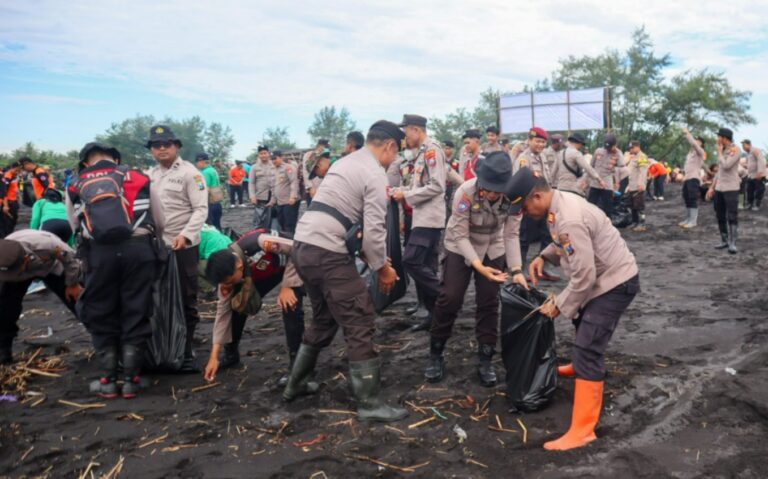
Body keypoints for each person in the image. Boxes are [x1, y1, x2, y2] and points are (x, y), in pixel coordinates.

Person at [507, 167, 639, 451]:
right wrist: (544, 255)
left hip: (615, 282)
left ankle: (582, 430)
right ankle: (579, 367)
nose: (524, 212)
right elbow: (564, 245)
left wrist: (558, 305)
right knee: (582, 319)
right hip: (602, 277)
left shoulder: (568, 218)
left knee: (588, 346)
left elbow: (584, 278)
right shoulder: (558, 204)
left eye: (524, 206)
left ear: (538, 196)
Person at [283, 120, 407, 422]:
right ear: (389, 146)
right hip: (327, 252)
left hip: (304, 247)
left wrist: (374, 258)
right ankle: (369, 403)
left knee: (325, 316)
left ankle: (296, 384)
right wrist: (382, 269)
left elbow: (350, 225)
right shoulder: (374, 173)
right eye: (396, 154)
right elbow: (375, 230)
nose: (394, 161)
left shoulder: (346, 162)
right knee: (360, 317)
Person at [66, 142, 163, 398]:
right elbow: (159, 218)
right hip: (138, 250)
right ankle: (132, 379)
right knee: (136, 307)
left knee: (100, 309)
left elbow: (74, 223)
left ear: (85, 162)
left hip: (99, 254)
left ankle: (107, 380)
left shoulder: (75, 184)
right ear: (116, 160)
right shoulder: (140, 177)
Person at [425, 152, 526, 386]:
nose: (493, 194)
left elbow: (511, 234)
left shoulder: (514, 198)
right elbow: (460, 235)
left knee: (489, 301)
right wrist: (479, 267)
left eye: (498, 189)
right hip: (460, 247)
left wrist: (517, 269)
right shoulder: (465, 193)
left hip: (493, 245)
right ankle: (436, 352)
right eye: (489, 188)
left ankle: (486, 357)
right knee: (450, 297)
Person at [202, 228, 307, 386]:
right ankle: (231, 354)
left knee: (289, 304)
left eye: (228, 282)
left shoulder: (259, 243)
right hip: (262, 274)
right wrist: (213, 356)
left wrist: (288, 285)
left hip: (293, 263)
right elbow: (222, 313)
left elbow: (298, 249)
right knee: (235, 304)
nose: (226, 287)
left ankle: (297, 366)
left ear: (238, 264)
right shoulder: (227, 276)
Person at [147, 125, 208, 372]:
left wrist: (185, 235)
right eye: (156, 145)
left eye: (167, 144)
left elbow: (201, 209)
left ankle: (186, 352)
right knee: (157, 297)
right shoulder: (149, 175)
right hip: (155, 246)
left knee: (185, 297)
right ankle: (164, 346)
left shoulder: (190, 174)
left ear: (177, 147)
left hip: (182, 246)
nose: (161, 148)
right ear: (151, 150)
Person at [391, 114, 447, 333]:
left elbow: (436, 186)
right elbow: (419, 185)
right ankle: (433, 317)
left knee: (411, 261)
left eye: (406, 132)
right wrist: (400, 191)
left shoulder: (432, 151)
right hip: (422, 217)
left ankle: (445, 295)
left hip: (429, 219)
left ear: (415, 130)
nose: (405, 138)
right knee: (428, 265)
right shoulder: (421, 154)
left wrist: (406, 197)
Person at [0, 230, 82, 364]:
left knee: (78, 300)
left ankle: (106, 343)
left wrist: (72, 283)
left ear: (26, 260)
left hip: (51, 266)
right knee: (5, 308)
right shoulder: (5, 257)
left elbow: (71, 261)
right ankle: (3, 350)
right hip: (17, 274)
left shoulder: (48, 245)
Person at [512, 127, 559, 281]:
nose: (540, 145)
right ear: (530, 140)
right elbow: (519, 183)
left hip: (544, 205)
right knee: (524, 238)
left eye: (543, 142)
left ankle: (544, 267)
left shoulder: (543, 157)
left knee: (548, 235)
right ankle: (521, 269)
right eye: (537, 141)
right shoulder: (523, 159)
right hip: (530, 205)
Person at [706, 128, 741, 254]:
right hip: (719, 188)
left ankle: (733, 243)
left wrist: (720, 153)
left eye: (719, 136)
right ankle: (724, 240)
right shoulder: (723, 150)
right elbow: (719, 172)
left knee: (732, 216)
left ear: (725, 138)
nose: (717, 139)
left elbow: (726, 166)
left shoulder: (735, 149)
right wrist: (711, 187)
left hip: (731, 188)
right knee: (720, 215)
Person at [587, 133, 623, 217]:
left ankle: (608, 224)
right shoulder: (598, 151)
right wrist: (587, 180)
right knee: (590, 205)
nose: (608, 149)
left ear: (615, 145)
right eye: (607, 147)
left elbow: (621, 166)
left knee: (608, 207)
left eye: (610, 147)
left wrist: (617, 151)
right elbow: (591, 166)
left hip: (607, 184)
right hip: (595, 183)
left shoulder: (618, 153)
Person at [679, 128, 707, 228]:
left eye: (697, 141)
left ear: (701, 143)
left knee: (692, 198)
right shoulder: (690, 154)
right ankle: (688, 218)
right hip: (687, 178)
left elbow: (694, 145)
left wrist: (687, 134)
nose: (695, 142)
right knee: (686, 197)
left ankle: (693, 221)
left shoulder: (700, 151)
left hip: (694, 178)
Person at [271, 150, 299, 234]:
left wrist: (293, 197)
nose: (273, 161)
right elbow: (274, 186)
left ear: (281, 157)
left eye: (275, 158)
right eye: (272, 159)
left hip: (289, 201)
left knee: (289, 224)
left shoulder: (288, 168)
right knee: (281, 223)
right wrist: (272, 201)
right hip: (280, 202)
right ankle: (285, 242)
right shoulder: (274, 170)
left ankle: (291, 243)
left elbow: (294, 182)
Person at [625, 141, 650, 232]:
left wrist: (641, 184)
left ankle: (642, 224)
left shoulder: (642, 156)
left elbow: (643, 171)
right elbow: (631, 173)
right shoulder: (633, 158)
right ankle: (635, 222)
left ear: (637, 147)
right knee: (633, 206)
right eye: (630, 148)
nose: (630, 150)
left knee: (640, 207)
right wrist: (628, 186)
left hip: (638, 186)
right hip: (632, 186)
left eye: (632, 148)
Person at [249, 145, 275, 230]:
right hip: (260, 196)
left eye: (265, 153)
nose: (263, 155)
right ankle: (258, 237)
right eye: (261, 153)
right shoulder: (254, 167)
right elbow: (251, 183)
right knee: (259, 219)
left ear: (268, 154)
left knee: (274, 219)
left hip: (274, 196)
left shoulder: (274, 164)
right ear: (258, 155)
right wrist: (252, 196)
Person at [196, 153, 224, 230]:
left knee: (211, 227)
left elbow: (203, 189)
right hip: (217, 203)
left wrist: (197, 179)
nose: (196, 165)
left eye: (197, 162)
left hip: (210, 203)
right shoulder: (212, 170)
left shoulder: (204, 172)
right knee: (217, 225)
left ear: (202, 161)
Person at [301, 139, 329, 206]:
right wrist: (310, 187)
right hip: (313, 188)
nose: (323, 149)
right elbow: (306, 172)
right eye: (321, 147)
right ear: (317, 146)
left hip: (324, 189)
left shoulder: (327, 155)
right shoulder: (310, 155)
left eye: (325, 147)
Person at [742, 139, 766, 211]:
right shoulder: (748, 154)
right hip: (750, 175)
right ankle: (750, 203)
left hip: (758, 174)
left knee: (759, 190)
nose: (743, 147)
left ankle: (757, 204)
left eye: (744, 145)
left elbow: (761, 160)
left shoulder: (755, 150)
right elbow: (751, 163)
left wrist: (760, 172)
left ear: (748, 144)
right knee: (749, 189)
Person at [0, 162, 22, 238]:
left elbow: (14, 188)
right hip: (8, 202)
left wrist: (17, 195)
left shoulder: (14, 176)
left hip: (13, 200)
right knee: (8, 222)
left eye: (19, 170)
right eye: (16, 170)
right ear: (12, 168)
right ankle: (7, 238)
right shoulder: (7, 177)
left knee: (13, 220)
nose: (18, 172)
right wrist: (5, 205)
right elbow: (3, 192)